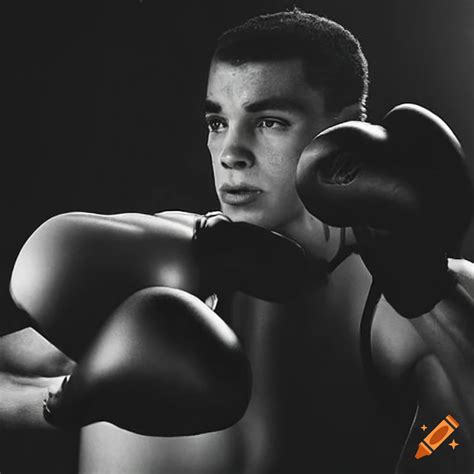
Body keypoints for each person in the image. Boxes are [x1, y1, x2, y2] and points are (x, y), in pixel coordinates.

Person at [1, 8, 473, 474]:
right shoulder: (163, 257)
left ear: (344, 128)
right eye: (217, 122)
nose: (231, 154)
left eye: (268, 121)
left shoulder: (403, 307)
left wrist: (425, 287)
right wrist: (63, 401)